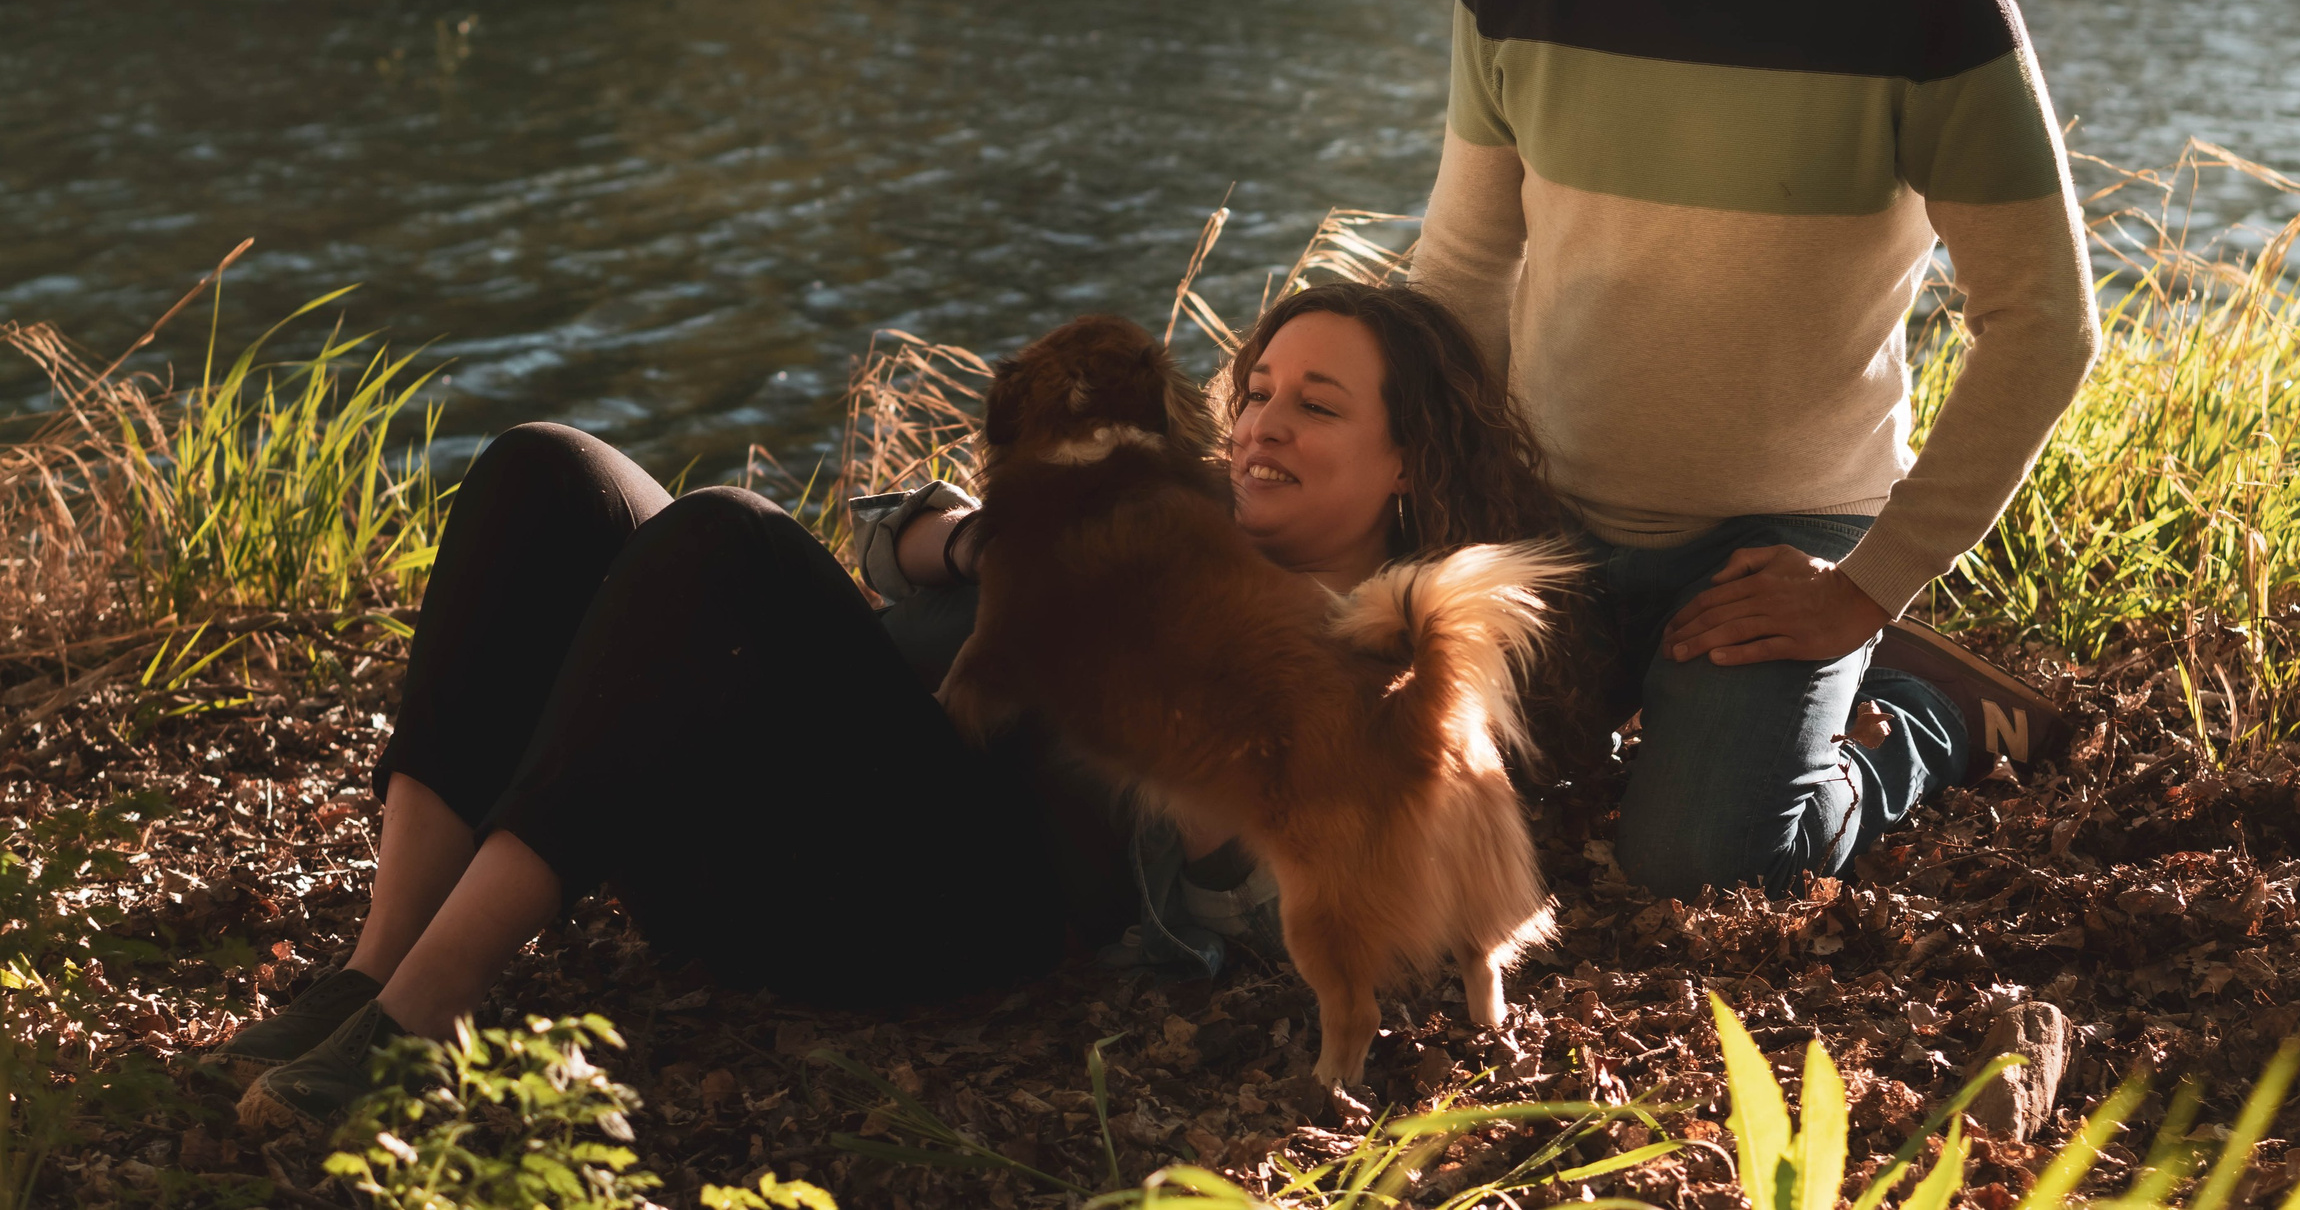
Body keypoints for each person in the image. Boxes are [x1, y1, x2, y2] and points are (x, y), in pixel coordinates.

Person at [215, 281, 1568, 1132]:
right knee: (549, 468)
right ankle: (375, 964)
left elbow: (1239, 903)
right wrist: (985, 547)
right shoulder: (1156, 521)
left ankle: (428, 1015)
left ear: (1404, 469)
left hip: (929, 910)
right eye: (1256, 392)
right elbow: (883, 532)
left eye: (1316, 407)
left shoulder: (1378, 670)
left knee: (726, 543)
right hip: (792, 788)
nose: (1263, 424)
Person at [1408, 0, 2101, 903]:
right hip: (1550, 513)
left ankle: (1922, 717)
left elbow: (2046, 322)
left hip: (1786, 542)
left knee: (1700, 860)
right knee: (1466, 805)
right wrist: (1440, 511)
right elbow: (1457, 269)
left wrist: (1866, 586)